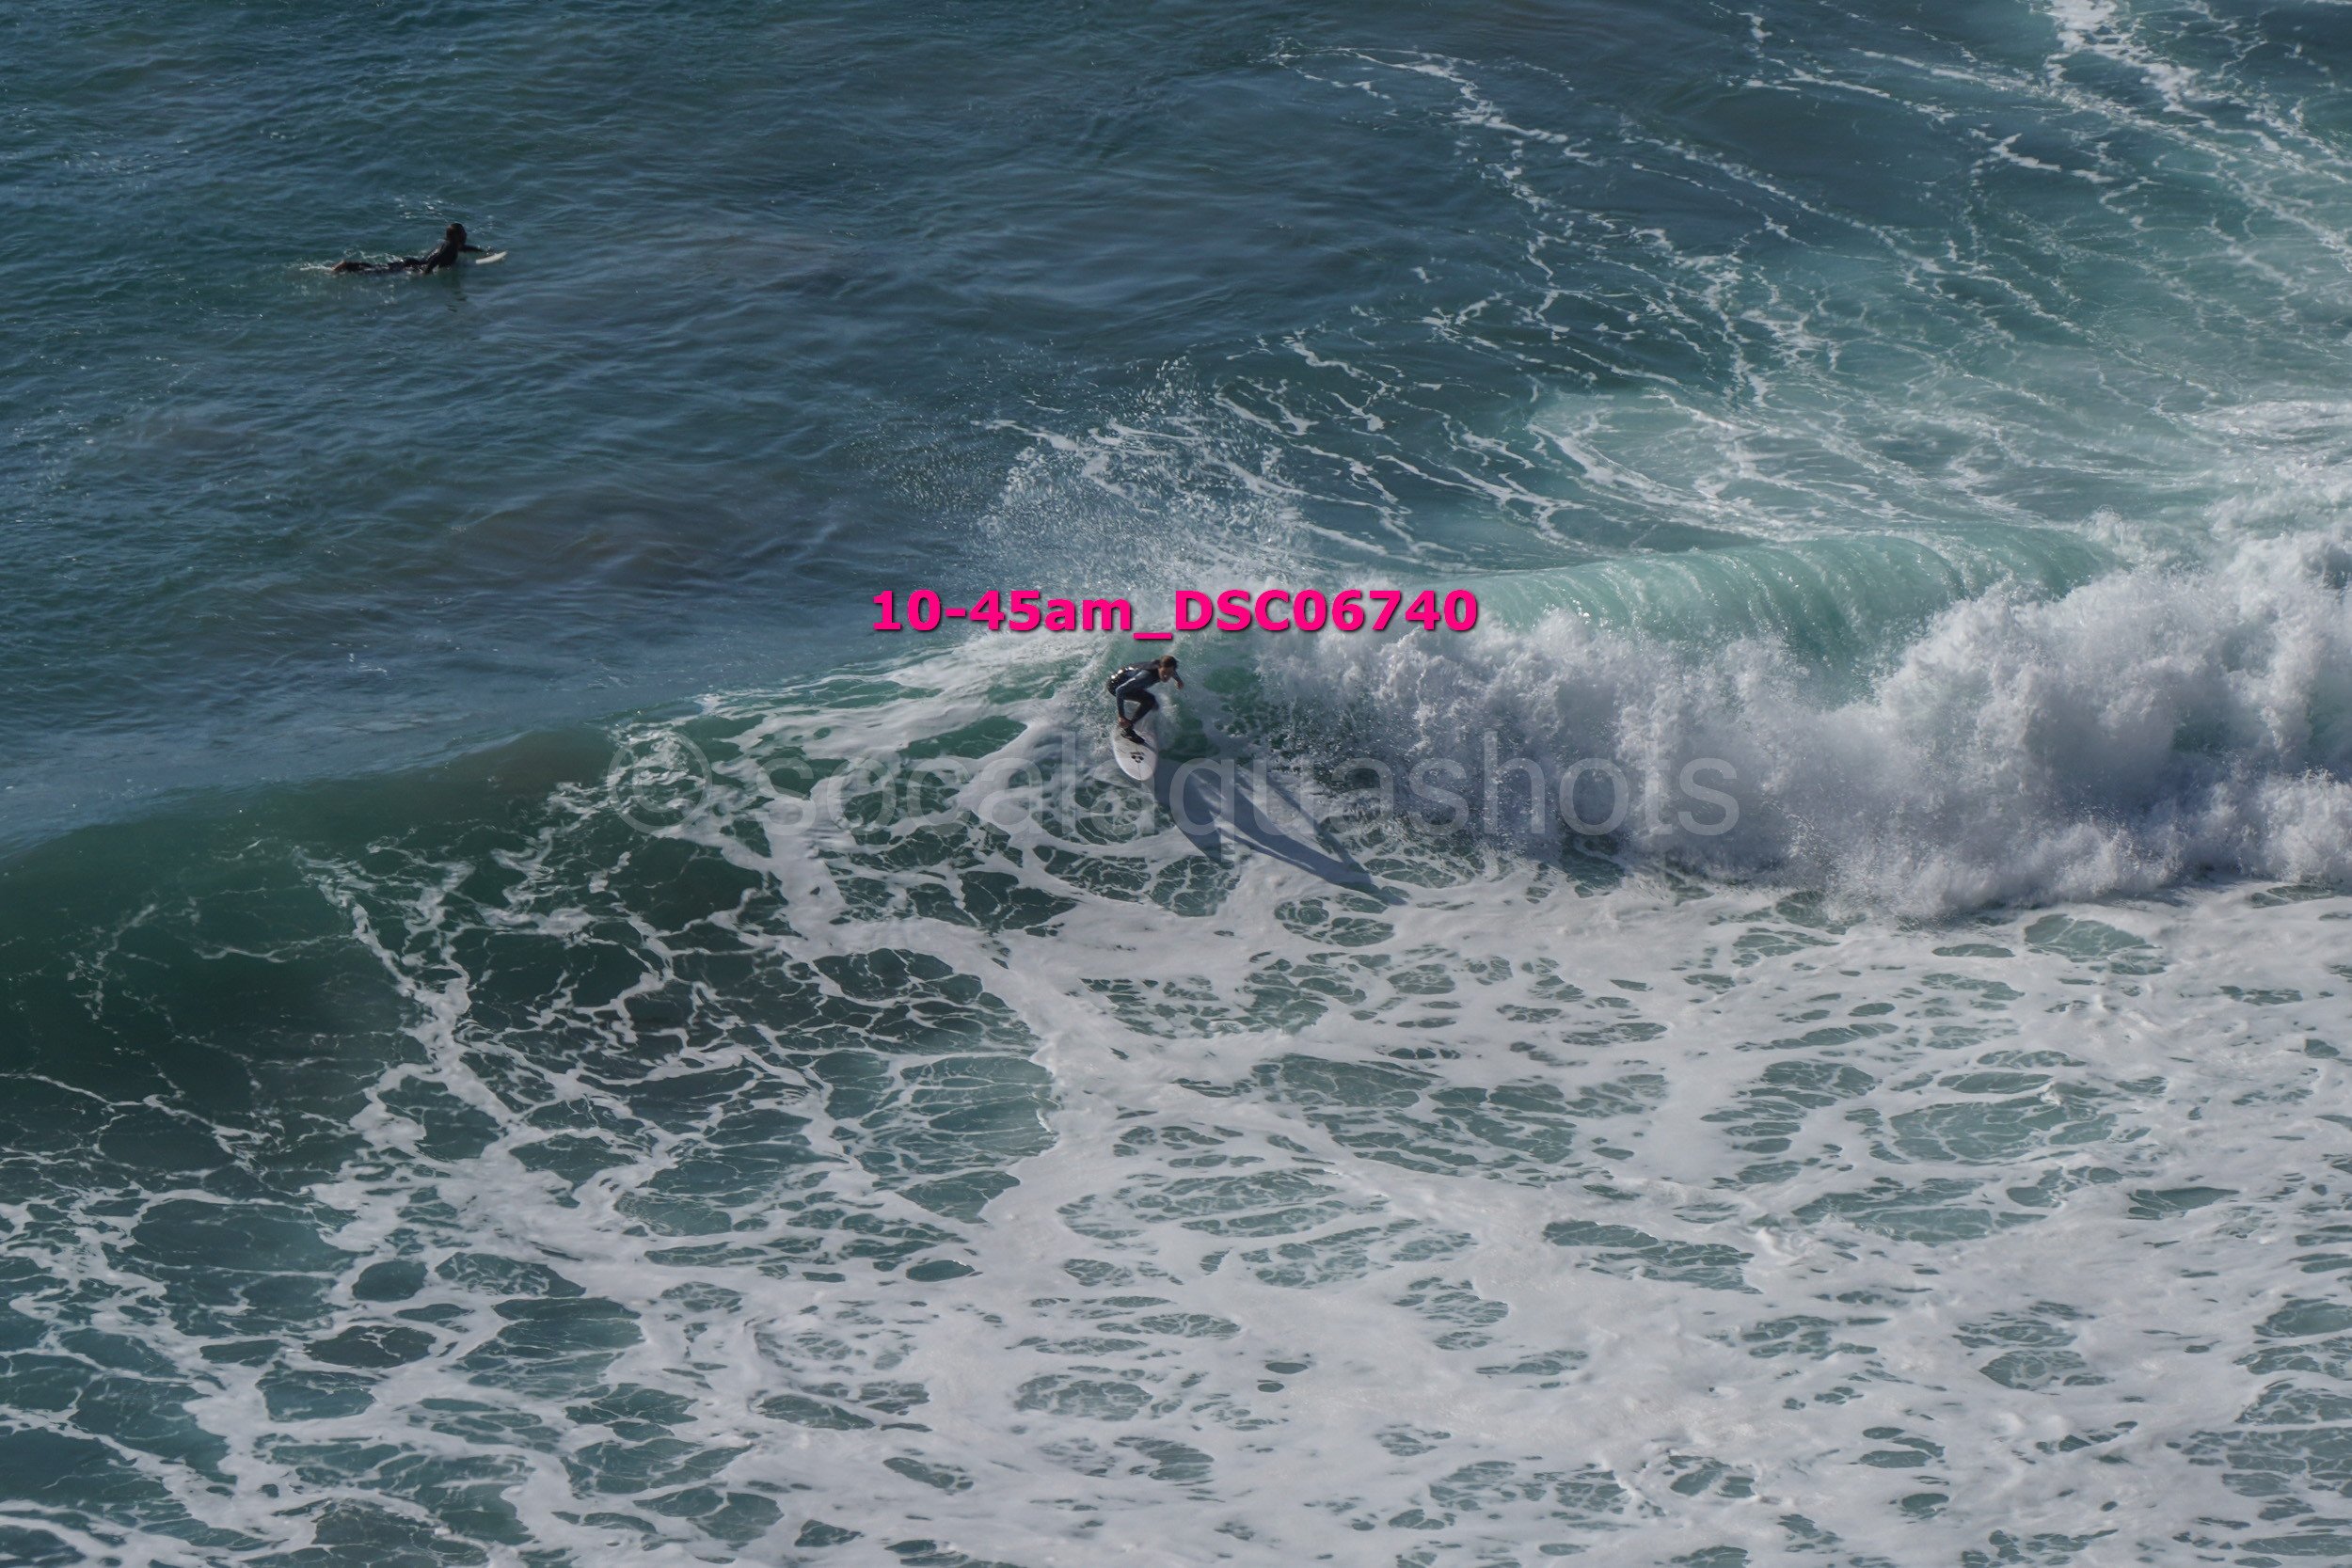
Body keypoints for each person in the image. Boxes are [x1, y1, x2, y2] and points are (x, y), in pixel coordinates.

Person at [330, 223, 485, 276]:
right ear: (457, 236)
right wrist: (425, 275)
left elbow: (465, 248)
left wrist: (482, 251)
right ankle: (348, 266)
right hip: (414, 267)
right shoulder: (451, 247)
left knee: (379, 268)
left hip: (412, 263)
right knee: (377, 272)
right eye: (463, 232)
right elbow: (437, 260)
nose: (466, 234)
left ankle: (348, 265)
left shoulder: (450, 244)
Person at [1106, 655, 1182, 741]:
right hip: (1115, 685)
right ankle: (1128, 730)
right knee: (1150, 700)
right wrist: (1121, 716)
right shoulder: (1146, 676)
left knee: (1155, 705)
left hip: (1128, 681)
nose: (1166, 676)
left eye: (1170, 673)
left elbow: (1171, 671)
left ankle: (1139, 713)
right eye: (1164, 672)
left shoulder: (1165, 668)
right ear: (1159, 667)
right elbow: (1119, 690)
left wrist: (1179, 680)